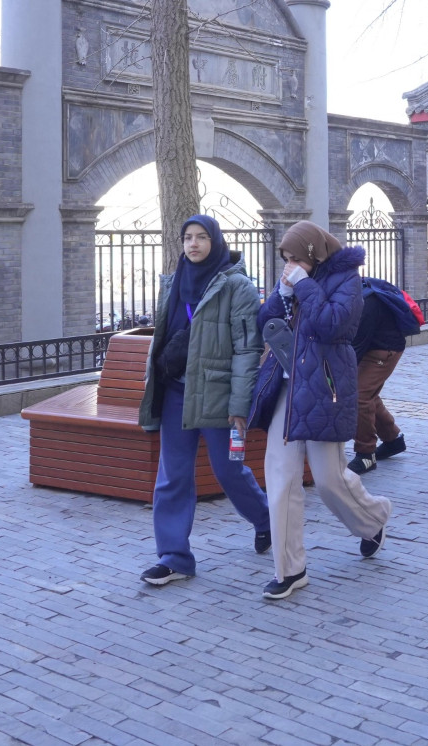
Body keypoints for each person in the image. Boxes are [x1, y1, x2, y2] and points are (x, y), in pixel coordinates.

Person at [248, 222, 391, 601]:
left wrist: (303, 286)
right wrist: (281, 295)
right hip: (285, 385)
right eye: (285, 259)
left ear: (314, 254)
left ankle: (373, 519)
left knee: (329, 479)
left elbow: (334, 325)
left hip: (323, 388)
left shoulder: (347, 278)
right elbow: (266, 325)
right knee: (280, 477)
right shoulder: (295, 280)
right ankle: (289, 570)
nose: (290, 265)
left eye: (296, 258)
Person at [137, 215, 272, 586]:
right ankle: (174, 557)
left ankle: (265, 519)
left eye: (200, 237)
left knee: (229, 470)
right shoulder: (174, 282)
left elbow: (247, 350)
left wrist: (239, 405)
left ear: (215, 241)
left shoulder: (237, 286)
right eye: (187, 238)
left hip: (218, 396)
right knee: (173, 476)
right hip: (176, 393)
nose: (193, 244)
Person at [346, 276, 418, 475]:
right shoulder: (347, 294)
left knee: (359, 396)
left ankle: (366, 454)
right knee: (367, 393)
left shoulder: (364, 302)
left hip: (384, 349)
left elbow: (356, 348)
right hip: (371, 344)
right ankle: (393, 440)